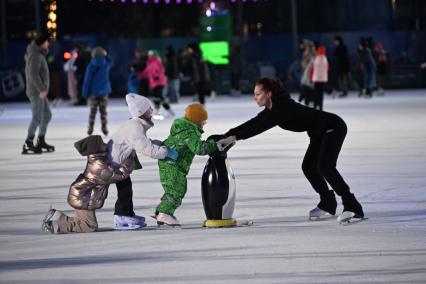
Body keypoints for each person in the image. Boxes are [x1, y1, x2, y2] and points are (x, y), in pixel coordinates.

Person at [217, 78, 364, 223]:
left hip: (333, 127)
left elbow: (258, 128)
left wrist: (234, 137)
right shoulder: (272, 107)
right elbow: (254, 122)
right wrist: (228, 134)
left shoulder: (281, 108)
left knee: (325, 167)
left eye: (258, 94)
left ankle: (352, 205)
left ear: (268, 94)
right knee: (308, 167)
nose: (254, 98)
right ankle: (328, 202)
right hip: (319, 132)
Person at [110, 93, 179, 229]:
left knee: (126, 188)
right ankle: (121, 216)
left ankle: (127, 214)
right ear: (141, 112)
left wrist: (160, 144)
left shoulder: (135, 125)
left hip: (118, 162)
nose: (152, 111)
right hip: (114, 164)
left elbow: (146, 142)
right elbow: (147, 149)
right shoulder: (135, 128)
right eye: (149, 109)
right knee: (125, 189)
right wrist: (167, 153)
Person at [41, 135, 134, 234]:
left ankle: (56, 216)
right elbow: (120, 175)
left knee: (84, 222)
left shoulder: (99, 160)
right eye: (102, 143)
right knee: (89, 226)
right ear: (96, 148)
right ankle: (55, 226)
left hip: (82, 195)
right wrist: (128, 160)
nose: (105, 144)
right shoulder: (98, 165)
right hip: (83, 198)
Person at [154, 103, 218, 226]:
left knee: (174, 189)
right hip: (172, 164)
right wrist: (213, 144)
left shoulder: (185, 128)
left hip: (170, 162)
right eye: (202, 120)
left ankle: (162, 210)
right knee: (177, 190)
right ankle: (164, 213)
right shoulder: (188, 132)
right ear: (195, 120)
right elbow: (199, 149)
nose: (205, 122)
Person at [22, 34, 55, 154]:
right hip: (36, 91)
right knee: (37, 116)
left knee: (46, 115)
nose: (48, 44)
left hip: (40, 92)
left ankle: (40, 140)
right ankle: (28, 142)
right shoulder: (35, 55)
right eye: (46, 42)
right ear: (41, 43)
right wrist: (41, 89)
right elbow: (33, 74)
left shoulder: (39, 54)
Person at [82, 46, 113, 136]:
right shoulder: (106, 64)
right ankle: (104, 128)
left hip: (93, 93)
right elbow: (111, 61)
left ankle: (90, 128)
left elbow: (87, 81)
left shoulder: (91, 66)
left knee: (93, 111)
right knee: (104, 111)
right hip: (104, 92)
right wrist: (106, 55)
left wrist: (85, 93)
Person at [137, 50, 174, 117]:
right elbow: (147, 71)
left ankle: (165, 110)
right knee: (157, 97)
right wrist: (141, 75)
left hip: (159, 82)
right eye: (149, 55)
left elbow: (162, 70)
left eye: (151, 55)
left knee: (158, 96)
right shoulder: (149, 63)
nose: (149, 56)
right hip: (154, 83)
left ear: (154, 55)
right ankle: (164, 110)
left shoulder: (158, 61)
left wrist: (157, 76)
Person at [311, 46, 329, 110]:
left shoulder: (315, 59)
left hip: (316, 79)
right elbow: (327, 69)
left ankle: (315, 106)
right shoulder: (325, 59)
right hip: (323, 79)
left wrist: (311, 77)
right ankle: (321, 106)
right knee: (321, 93)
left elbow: (312, 69)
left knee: (316, 93)